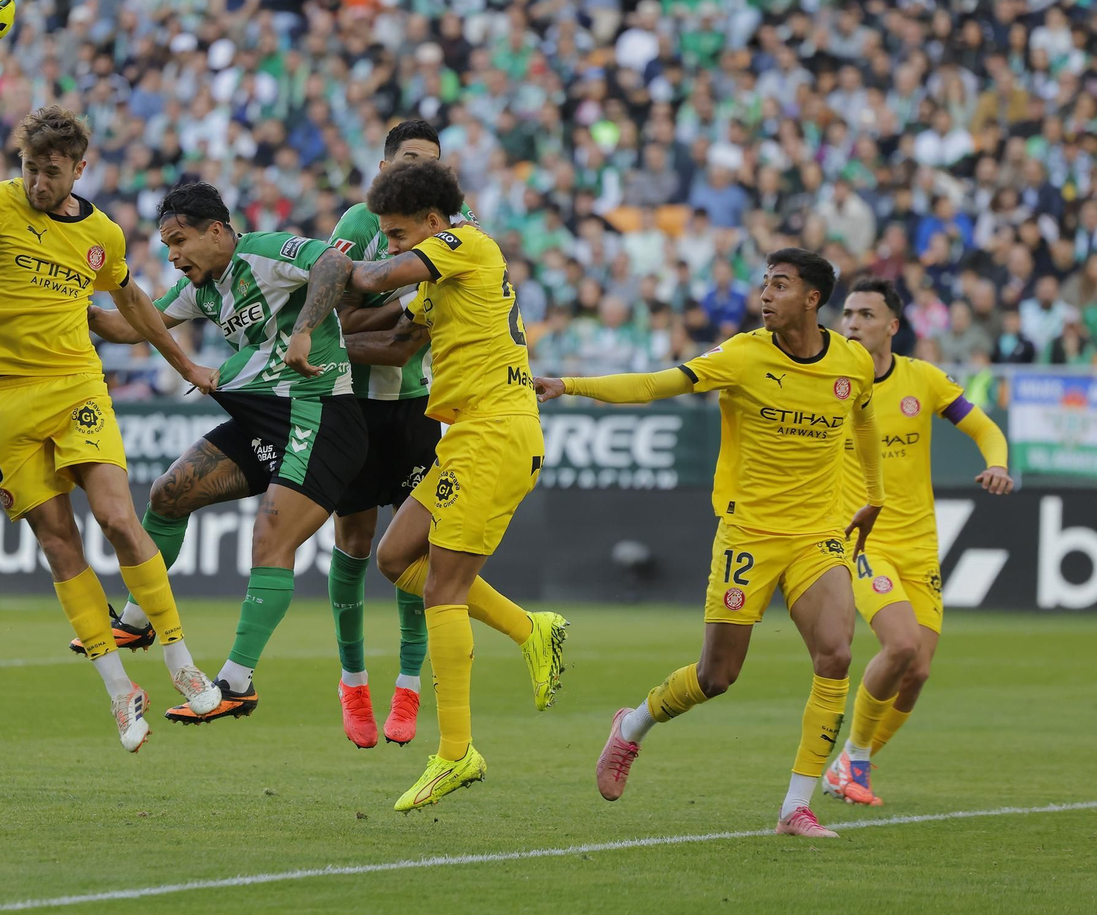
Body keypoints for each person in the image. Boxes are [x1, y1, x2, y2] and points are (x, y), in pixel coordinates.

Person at [537, 247, 886, 838]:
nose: (765, 295)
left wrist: (873, 494)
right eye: (764, 283)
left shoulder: (852, 362)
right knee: (717, 676)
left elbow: (865, 422)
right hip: (748, 533)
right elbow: (654, 383)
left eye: (780, 285)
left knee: (837, 654)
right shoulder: (742, 355)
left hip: (818, 534)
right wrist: (568, 384)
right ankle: (633, 725)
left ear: (811, 298)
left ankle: (795, 807)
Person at [0, 107, 222, 752]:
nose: (37, 184)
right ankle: (119, 690)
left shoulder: (101, 233)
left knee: (118, 518)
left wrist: (186, 362)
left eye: (51, 172)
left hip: (77, 386)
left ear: (79, 169)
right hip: (4, 398)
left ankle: (182, 664)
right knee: (58, 541)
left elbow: (131, 304)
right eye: (29, 169)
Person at [86, 180, 364, 724]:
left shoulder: (263, 254)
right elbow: (133, 324)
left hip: (322, 413)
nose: (172, 256)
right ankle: (140, 617)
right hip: (269, 415)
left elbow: (333, 262)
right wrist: (75, 305)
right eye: (165, 244)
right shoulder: (200, 289)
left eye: (179, 240)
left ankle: (236, 683)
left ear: (217, 231)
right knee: (168, 493)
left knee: (269, 536)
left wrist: (305, 330)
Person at [341, 160, 568, 811]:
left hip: (496, 432)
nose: (388, 245)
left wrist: (324, 272)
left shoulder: (467, 243)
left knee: (442, 585)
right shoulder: (444, 273)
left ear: (434, 223)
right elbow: (395, 340)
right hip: (469, 435)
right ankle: (531, 628)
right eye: (385, 234)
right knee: (394, 558)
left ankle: (455, 751)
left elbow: (374, 279)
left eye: (396, 232)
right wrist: (313, 337)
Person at [824, 278, 1012, 805]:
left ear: (892, 326)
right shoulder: (830, 381)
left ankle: (849, 761)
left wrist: (996, 462)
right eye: (849, 314)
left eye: (865, 315)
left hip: (920, 546)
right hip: (863, 543)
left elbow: (985, 428)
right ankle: (855, 762)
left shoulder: (922, 380)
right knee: (901, 644)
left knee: (918, 670)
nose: (853, 323)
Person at [323, 119, 477, 749]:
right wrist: (406, 298)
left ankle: (409, 686)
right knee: (355, 543)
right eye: (410, 159)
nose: (419, 171)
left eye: (431, 162)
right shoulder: (359, 223)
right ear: (385, 166)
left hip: (419, 408)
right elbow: (336, 308)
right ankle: (353, 680)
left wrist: (360, 327)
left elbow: (395, 337)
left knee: (416, 551)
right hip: (354, 408)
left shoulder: (455, 234)